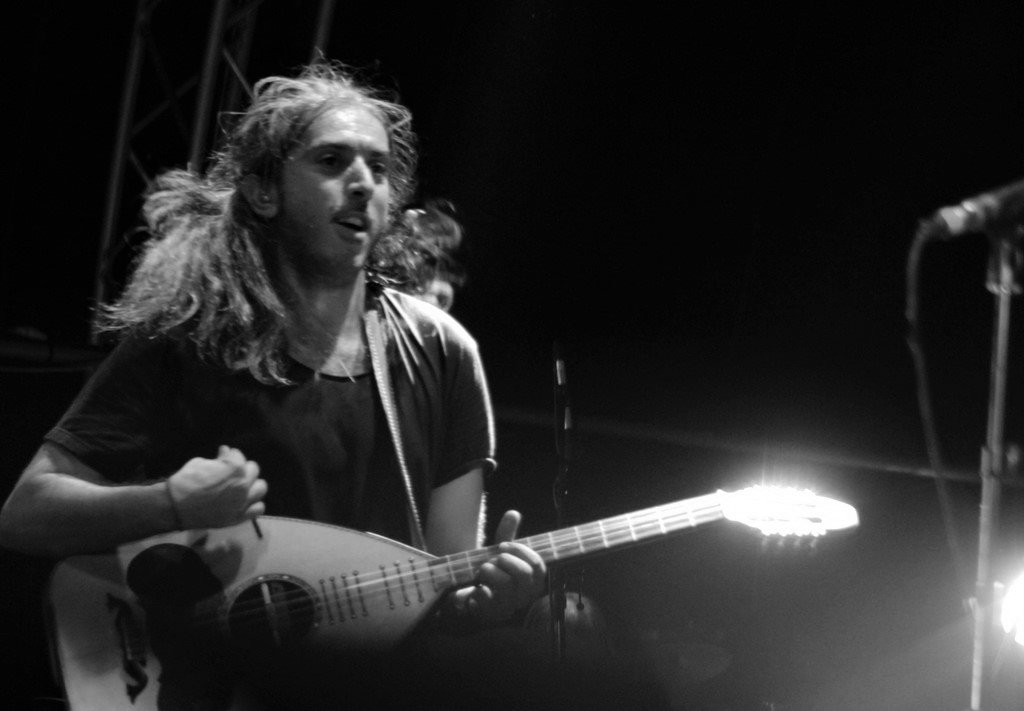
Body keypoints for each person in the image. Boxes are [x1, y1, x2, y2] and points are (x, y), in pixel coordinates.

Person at [0, 60, 546, 708]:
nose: (362, 183)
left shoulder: (444, 353)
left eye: (377, 167)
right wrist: (168, 503)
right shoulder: (193, 336)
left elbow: (444, 583)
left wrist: (484, 602)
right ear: (264, 192)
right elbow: (26, 512)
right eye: (332, 161)